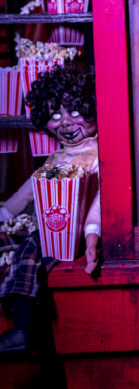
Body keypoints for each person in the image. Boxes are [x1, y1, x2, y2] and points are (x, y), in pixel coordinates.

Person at [0, 63, 100, 355]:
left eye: (76, 112)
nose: (66, 124)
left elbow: (101, 200)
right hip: (39, 224)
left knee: (29, 249)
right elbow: (31, 189)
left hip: (70, 234)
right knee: (13, 240)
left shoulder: (97, 155)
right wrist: (5, 214)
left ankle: (21, 328)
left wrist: (92, 235)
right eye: (56, 115)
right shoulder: (57, 156)